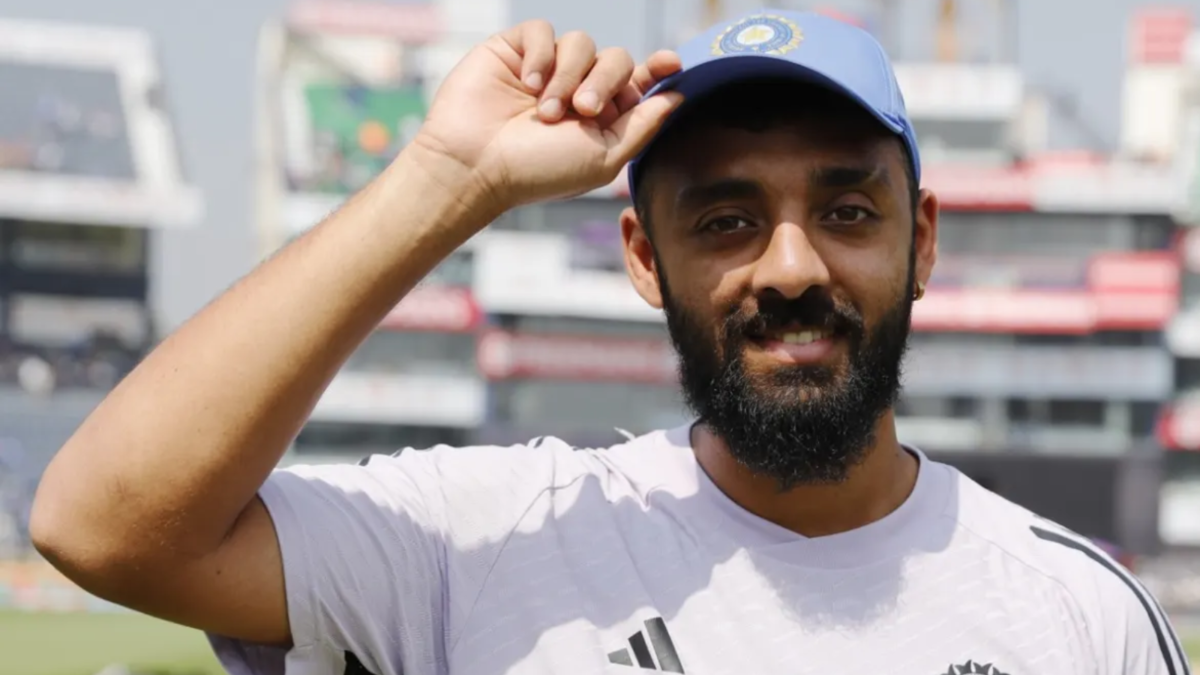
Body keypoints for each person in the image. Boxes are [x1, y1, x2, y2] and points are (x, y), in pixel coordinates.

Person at [28, 9, 1191, 675]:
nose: (792, 267)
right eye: (727, 221)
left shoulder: (1080, 617)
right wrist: (448, 180)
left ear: (921, 241)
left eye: (847, 211)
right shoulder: (487, 545)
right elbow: (104, 525)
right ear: (644, 257)